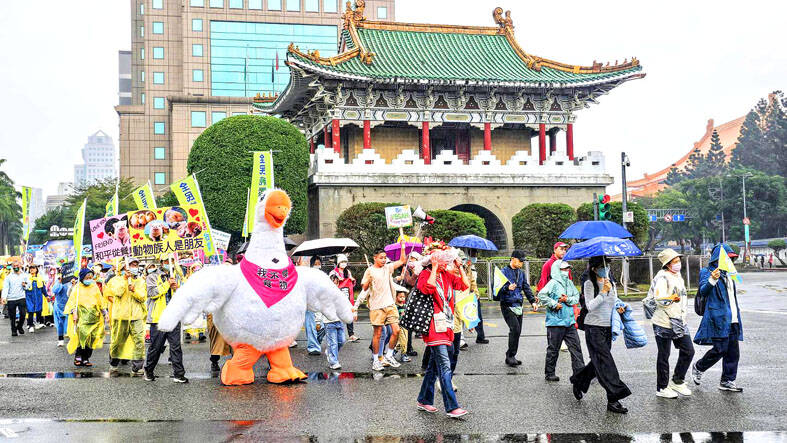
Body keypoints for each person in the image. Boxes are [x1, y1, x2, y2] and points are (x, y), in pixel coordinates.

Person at [570, 256, 631, 414]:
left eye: (608, 266)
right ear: (594, 268)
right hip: (593, 328)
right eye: (604, 266)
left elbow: (615, 301)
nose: (607, 269)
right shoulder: (589, 284)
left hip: (607, 328)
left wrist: (620, 306)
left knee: (597, 362)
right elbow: (589, 306)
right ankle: (614, 398)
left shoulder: (611, 282)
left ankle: (578, 380)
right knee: (606, 363)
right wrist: (603, 293)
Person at [416, 247, 469, 419]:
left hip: (446, 326)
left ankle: (424, 399)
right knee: (445, 367)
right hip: (433, 328)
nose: (445, 263)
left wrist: (460, 266)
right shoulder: (425, 274)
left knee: (433, 367)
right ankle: (452, 406)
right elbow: (428, 288)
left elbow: (465, 285)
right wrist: (432, 268)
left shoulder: (447, 276)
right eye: (441, 260)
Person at [692, 243, 744, 393]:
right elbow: (703, 291)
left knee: (733, 352)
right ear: (718, 258)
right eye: (728, 258)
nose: (731, 261)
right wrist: (712, 280)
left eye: (732, 259)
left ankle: (727, 380)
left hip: (733, 317)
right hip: (718, 318)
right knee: (720, 349)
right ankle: (699, 367)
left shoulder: (730, 274)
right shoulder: (707, 272)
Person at [648, 248, 694, 398]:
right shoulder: (662, 277)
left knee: (688, 350)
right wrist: (670, 298)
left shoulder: (678, 276)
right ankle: (661, 388)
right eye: (675, 261)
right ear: (667, 264)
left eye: (678, 260)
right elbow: (658, 298)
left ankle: (677, 380)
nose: (678, 263)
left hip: (678, 320)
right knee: (664, 355)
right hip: (663, 321)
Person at [356, 243, 407, 371]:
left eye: (385, 257)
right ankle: (376, 360)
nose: (384, 260)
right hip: (376, 306)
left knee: (396, 330)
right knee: (377, 334)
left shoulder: (388, 268)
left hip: (390, 304)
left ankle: (389, 355)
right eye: (381, 258)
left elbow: (402, 260)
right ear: (375, 258)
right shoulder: (370, 270)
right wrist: (368, 280)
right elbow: (364, 287)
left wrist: (403, 247)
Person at [537, 260, 584, 382]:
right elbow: (542, 295)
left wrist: (567, 299)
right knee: (553, 349)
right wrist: (554, 304)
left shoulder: (569, 283)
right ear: (557, 270)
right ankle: (549, 373)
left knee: (576, 349)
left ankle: (580, 374)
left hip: (569, 322)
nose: (566, 271)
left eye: (567, 269)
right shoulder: (552, 283)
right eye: (563, 269)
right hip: (555, 322)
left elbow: (576, 297)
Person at [144, 260, 187, 383]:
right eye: (167, 261)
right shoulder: (152, 276)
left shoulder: (177, 275)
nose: (169, 263)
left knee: (176, 347)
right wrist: (167, 284)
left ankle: (179, 374)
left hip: (174, 316)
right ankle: (149, 370)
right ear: (162, 263)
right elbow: (152, 293)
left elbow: (185, 294)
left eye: (172, 261)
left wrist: (177, 288)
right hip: (158, 318)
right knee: (156, 347)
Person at [105, 257, 148, 375]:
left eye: (135, 265)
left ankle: (138, 367)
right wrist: (125, 280)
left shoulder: (140, 281)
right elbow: (117, 293)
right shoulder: (115, 280)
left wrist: (134, 290)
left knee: (139, 341)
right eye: (131, 265)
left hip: (136, 316)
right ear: (123, 267)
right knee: (118, 341)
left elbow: (143, 297)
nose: (133, 267)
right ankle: (113, 364)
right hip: (120, 316)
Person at [496, 250, 537, 367]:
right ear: (513, 259)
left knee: (518, 331)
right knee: (515, 329)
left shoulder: (521, 273)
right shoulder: (503, 272)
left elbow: (526, 288)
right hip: (507, 304)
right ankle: (510, 356)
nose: (522, 263)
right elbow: (497, 290)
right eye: (520, 261)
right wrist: (507, 288)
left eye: (523, 261)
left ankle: (512, 354)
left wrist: (533, 301)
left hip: (518, 304)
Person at [64, 269, 109, 367]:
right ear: (82, 278)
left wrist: (105, 313)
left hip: (94, 317)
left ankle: (86, 358)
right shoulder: (77, 288)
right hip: (82, 316)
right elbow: (72, 301)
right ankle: (78, 356)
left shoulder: (95, 287)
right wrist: (74, 312)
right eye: (87, 278)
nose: (89, 279)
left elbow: (100, 301)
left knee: (92, 338)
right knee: (82, 337)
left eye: (90, 277)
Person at [329, 254, 358, 342]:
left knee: (349, 313)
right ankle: (337, 334)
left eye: (345, 262)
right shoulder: (333, 272)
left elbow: (352, 284)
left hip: (348, 296)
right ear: (338, 263)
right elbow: (330, 283)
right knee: (338, 315)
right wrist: (337, 279)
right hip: (337, 298)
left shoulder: (347, 272)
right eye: (342, 262)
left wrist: (352, 280)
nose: (343, 264)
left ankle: (351, 334)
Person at [462, 252, 488, 345]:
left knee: (478, 316)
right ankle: (460, 341)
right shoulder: (459, 266)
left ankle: (481, 336)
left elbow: (473, 281)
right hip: (461, 295)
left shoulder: (469, 266)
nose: (475, 257)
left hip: (471, 294)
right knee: (461, 319)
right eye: (474, 255)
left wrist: (476, 293)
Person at [323, 274, 347, 370]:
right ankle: (334, 362)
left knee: (341, 341)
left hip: (339, 321)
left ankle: (329, 352)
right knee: (333, 343)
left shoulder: (340, 294)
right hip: (329, 322)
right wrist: (318, 320)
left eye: (336, 284)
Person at [304, 256, 326, 355]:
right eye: (315, 264)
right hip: (309, 304)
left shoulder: (324, 276)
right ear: (312, 265)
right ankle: (313, 347)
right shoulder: (307, 275)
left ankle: (316, 341)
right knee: (311, 326)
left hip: (321, 303)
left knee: (323, 325)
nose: (317, 266)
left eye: (319, 264)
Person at [1, 261, 28, 336]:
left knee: (23, 314)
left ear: (20, 266)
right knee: (12, 316)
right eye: (14, 266)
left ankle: (19, 326)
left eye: (17, 265)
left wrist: (25, 285)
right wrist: (3, 297)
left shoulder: (24, 275)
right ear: (12, 267)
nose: (16, 267)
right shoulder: (9, 277)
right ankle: (13, 330)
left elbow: (28, 286)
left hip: (21, 297)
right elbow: (6, 288)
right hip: (11, 299)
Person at [51, 270, 75, 346]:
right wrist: (59, 282)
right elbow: (54, 290)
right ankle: (60, 339)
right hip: (60, 306)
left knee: (71, 323)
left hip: (70, 305)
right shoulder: (59, 280)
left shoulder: (73, 280)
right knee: (60, 323)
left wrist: (73, 284)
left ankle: (73, 340)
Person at [24, 265, 48, 332]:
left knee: (38, 310)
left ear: (36, 269)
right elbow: (23, 287)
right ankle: (31, 325)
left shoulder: (40, 278)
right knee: (30, 310)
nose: (32, 269)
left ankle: (37, 323)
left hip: (38, 297)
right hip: (29, 297)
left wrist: (46, 295)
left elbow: (43, 288)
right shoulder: (26, 277)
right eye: (30, 268)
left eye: (33, 268)